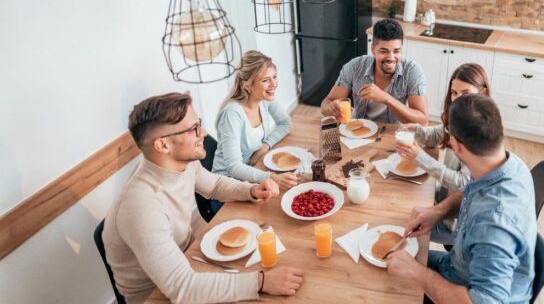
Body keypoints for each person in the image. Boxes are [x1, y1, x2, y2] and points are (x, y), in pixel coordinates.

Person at [102, 92, 304, 303]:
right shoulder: (141, 207)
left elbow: (215, 184)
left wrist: (251, 190)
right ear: (163, 145)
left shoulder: (180, 164)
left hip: (187, 261)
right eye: (193, 129)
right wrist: (261, 283)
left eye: (199, 124)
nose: (204, 133)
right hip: (156, 295)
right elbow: (184, 288)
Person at [386, 94, 536, 304]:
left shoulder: (493, 225)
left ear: (455, 145)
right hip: (456, 268)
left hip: (465, 292)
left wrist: (417, 273)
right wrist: (439, 211)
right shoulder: (506, 162)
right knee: (385, 263)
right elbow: (470, 188)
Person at [394, 63, 490, 245]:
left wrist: (419, 157)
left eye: (465, 93)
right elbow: (438, 135)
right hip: (441, 198)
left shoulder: (482, 133)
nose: (457, 99)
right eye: (454, 93)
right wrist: (418, 130)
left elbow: (463, 183)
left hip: (453, 222)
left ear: (483, 93)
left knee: (394, 221)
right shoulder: (461, 117)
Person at [213, 51, 298, 190]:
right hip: (227, 186)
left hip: (252, 171)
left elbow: (285, 123)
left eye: (274, 77)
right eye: (265, 80)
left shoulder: (264, 99)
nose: (274, 84)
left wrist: (265, 146)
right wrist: (270, 177)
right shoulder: (232, 114)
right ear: (247, 85)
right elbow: (234, 168)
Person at [320, 19, 428, 125]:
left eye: (396, 51)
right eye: (384, 51)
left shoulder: (412, 71)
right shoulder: (354, 66)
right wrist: (330, 108)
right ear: (373, 49)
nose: (391, 57)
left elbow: (423, 122)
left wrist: (386, 98)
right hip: (358, 130)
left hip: (392, 134)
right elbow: (326, 103)